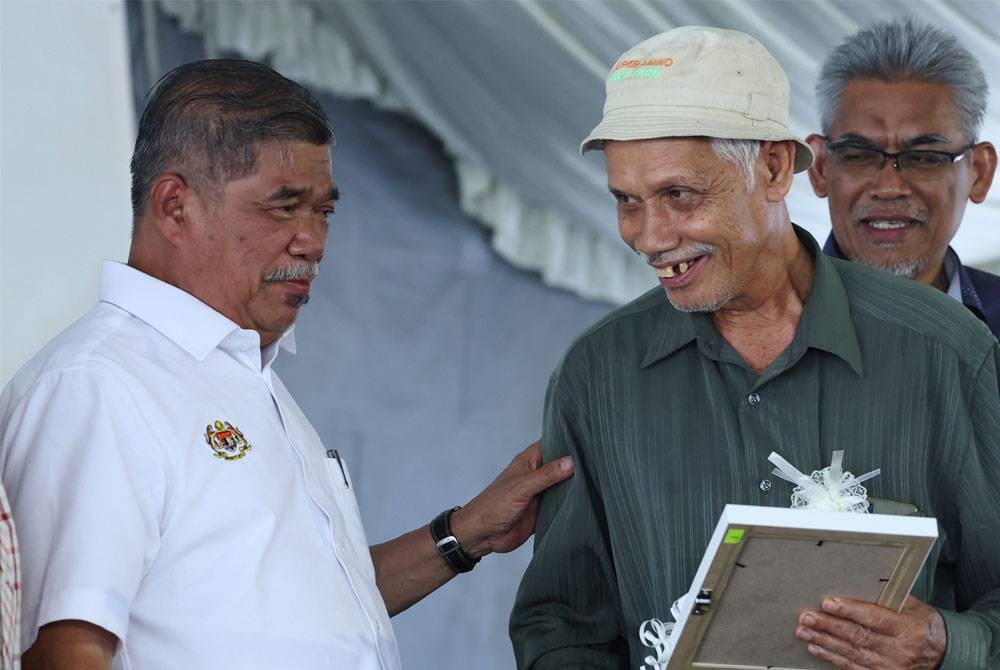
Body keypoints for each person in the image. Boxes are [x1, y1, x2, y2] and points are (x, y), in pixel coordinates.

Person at [0, 59, 573, 670]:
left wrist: (463, 535)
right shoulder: (96, 385)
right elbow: (64, 650)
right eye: (284, 206)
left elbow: (315, 615)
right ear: (174, 206)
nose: (314, 241)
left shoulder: (240, 370)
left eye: (323, 210)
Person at [510, 26, 1000, 670]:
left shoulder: (946, 350)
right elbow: (562, 623)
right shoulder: (598, 374)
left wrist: (945, 643)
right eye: (627, 201)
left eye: (679, 195)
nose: (650, 236)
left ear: (773, 168)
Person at [805, 19, 1000, 337]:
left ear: (979, 172)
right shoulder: (748, 327)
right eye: (859, 155)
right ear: (820, 167)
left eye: (923, 158)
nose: (888, 187)